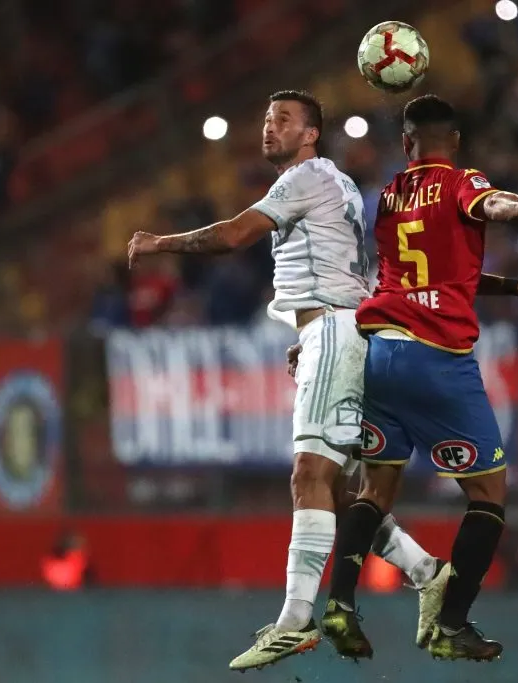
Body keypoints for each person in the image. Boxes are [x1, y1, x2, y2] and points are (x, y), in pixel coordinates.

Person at [126, 90, 447, 672]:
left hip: (335, 330)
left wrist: (159, 243)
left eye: (283, 120)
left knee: (309, 475)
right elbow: (354, 266)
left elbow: (231, 236)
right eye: (266, 118)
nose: (269, 128)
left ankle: (295, 620)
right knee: (341, 491)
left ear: (310, 134)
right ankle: (428, 572)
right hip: (342, 327)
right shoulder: (341, 185)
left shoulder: (304, 179)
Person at [316, 94, 518, 663]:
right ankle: (451, 624)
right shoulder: (461, 181)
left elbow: (438, 271)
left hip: (380, 352)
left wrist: (517, 286)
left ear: (407, 144)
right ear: (455, 142)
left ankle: (341, 601)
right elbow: (491, 206)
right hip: (435, 356)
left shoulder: (391, 196)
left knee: (376, 489)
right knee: (489, 492)